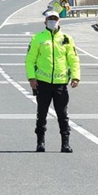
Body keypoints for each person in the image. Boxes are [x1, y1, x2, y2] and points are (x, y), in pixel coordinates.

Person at [26, 11, 80, 153]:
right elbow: (30, 60)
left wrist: (76, 77)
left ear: (59, 21)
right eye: (50, 19)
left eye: (55, 19)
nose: (52, 21)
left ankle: (65, 143)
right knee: (42, 114)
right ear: (45, 22)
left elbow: (73, 59)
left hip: (61, 83)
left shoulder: (66, 39)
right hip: (43, 83)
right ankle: (40, 142)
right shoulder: (38, 38)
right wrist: (32, 78)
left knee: (62, 115)